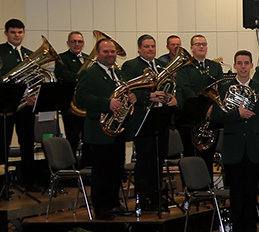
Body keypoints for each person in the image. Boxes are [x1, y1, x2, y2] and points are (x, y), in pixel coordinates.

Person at [119, 34, 177, 212]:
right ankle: (143, 198)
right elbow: (128, 89)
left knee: (159, 159)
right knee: (145, 161)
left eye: (152, 46)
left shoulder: (161, 66)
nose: (150, 49)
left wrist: (174, 99)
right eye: (146, 46)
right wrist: (148, 96)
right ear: (139, 49)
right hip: (142, 119)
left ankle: (156, 196)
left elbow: (173, 86)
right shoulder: (131, 66)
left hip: (160, 119)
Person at [74, 38, 130, 219]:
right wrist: (107, 103)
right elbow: (81, 98)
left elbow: (122, 96)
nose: (110, 55)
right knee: (101, 171)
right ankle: (101, 208)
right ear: (97, 54)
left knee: (116, 170)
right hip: (99, 131)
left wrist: (131, 98)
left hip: (116, 130)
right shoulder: (89, 74)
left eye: (112, 52)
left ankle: (114, 204)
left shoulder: (118, 74)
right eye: (105, 52)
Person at [214, 51, 259, 232]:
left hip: (253, 147)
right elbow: (216, 117)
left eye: (246, 63)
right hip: (233, 148)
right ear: (234, 66)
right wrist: (238, 114)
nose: (243, 67)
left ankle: (251, 230)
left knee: (252, 192)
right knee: (235, 191)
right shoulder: (224, 88)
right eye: (239, 63)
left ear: (252, 65)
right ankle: (237, 231)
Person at [0, 19, 39, 188]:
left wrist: (33, 96)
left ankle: (29, 181)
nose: (17, 35)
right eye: (13, 32)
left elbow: (36, 79)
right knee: (2, 145)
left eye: (20, 32)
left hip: (25, 107)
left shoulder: (29, 54)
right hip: (4, 107)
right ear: (6, 33)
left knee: (27, 144)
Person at [174, 34, 223, 167]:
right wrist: (204, 108)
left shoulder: (215, 67)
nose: (201, 46)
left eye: (204, 44)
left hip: (210, 118)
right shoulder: (184, 68)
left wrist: (213, 107)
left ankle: (209, 187)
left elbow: (219, 89)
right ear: (191, 48)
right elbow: (186, 90)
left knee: (208, 157)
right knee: (192, 157)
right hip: (192, 119)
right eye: (198, 44)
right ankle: (191, 188)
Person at [55, 30, 88, 158]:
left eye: (80, 41)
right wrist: (83, 78)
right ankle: (71, 169)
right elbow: (63, 75)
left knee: (88, 140)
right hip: (70, 107)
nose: (77, 44)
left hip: (84, 106)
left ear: (83, 44)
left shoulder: (87, 58)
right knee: (72, 139)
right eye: (73, 41)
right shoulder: (62, 58)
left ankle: (86, 170)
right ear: (68, 43)